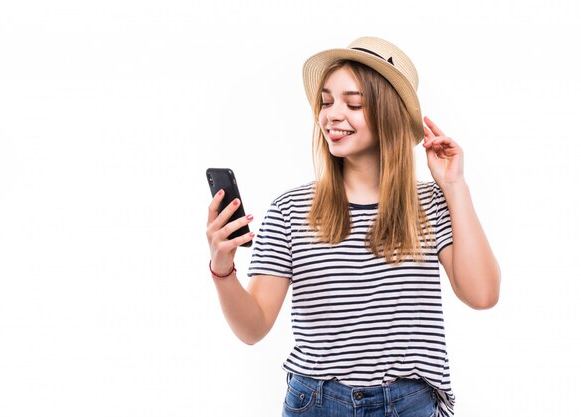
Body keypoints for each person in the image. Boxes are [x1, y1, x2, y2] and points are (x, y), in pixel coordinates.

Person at [206, 37, 500, 417]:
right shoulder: (291, 209)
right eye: (326, 102)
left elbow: (482, 295)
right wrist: (222, 268)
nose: (332, 114)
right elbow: (253, 327)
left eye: (354, 103)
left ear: (389, 113)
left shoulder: (429, 204)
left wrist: (455, 186)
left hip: (409, 404)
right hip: (316, 402)